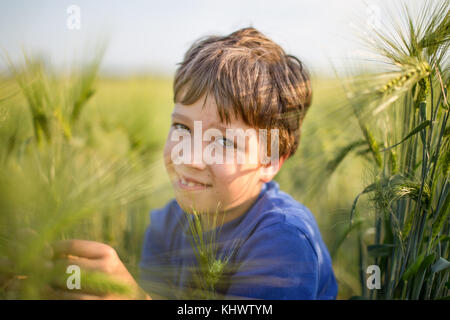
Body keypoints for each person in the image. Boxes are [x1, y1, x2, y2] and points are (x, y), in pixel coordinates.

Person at [47, 27, 338, 300]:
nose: (189, 156)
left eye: (223, 142)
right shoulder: (165, 225)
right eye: (182, 128)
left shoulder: (284, 240)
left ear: (270, 162)